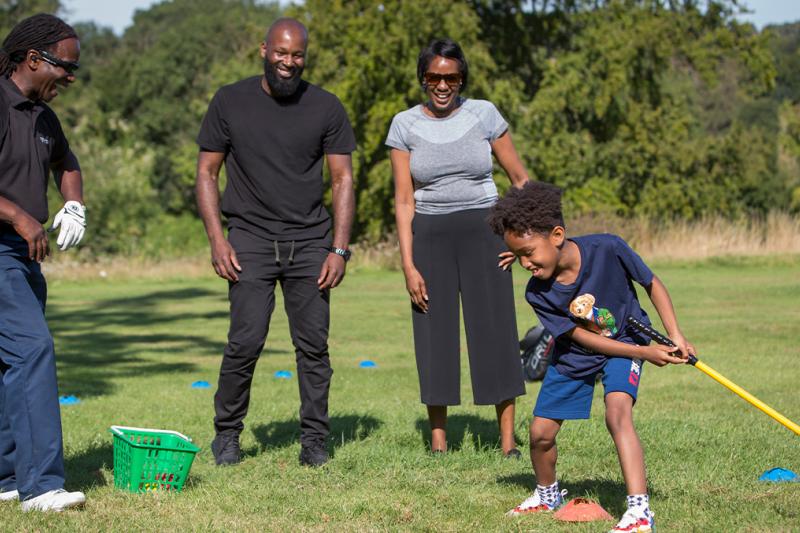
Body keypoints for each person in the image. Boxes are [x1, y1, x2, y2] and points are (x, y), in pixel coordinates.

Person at [488, 182, 694, 532]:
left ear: (556, 235)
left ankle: (639, 512)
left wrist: (675, 334)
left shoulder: (608, 248)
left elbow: (651, 283)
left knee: (617, 413)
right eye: (517, 255)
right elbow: (581, 337)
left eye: (528, 253)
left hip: (627, 338)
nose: (524, 264)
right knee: (539, 435)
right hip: (577, 355)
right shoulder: (538, 292)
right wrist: (645, 352)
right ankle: (546, 494)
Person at [196, 17, 356, 468]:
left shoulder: (326, 106)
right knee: (245, 342)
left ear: (306, 55)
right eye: (281, 53)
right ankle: (226, 435)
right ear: (264, 50)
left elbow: (343, 179)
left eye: (298, 55)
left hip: (310, 242)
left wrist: (339, 249)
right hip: (248, 238)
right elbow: (207, 173)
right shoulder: (230, 100)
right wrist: (216, 240)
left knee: (313, 347)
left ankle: (314, 442)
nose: (289, 62)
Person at [386, 38, 529, 456]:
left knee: (496, 331)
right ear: (423, 79)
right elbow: (403, 200)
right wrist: (408, 265)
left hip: (485, 230)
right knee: (434, 333)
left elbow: (520, 180)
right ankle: (438, 444)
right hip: (429, 234)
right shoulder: (404, 125)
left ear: (461, 77)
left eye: (451, 77)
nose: (443, 85)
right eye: (434, 77)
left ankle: (507, 444)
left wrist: (524, 241)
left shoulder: (484, 114)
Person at [0, 14, 87, 512]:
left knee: (9, 364)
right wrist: (17, 216)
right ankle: (42, 487)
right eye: (65, 67)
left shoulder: (44, 117)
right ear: (33, 59)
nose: (71, 78)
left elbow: (66, 163)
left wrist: (73, 203)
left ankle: (9, 476)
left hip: (24, 258)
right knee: (34, 350)